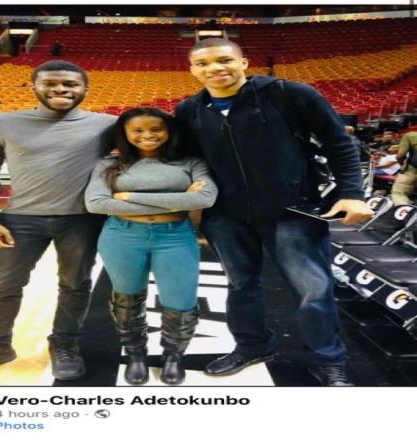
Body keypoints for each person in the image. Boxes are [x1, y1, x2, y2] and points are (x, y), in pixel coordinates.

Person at [175, 38, 373, 386]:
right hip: (226, 215)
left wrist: (352, 194)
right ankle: (252, 347)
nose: (215, 68)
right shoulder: (189, 110)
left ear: (243, 62)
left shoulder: (288, 93)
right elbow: (191, 162)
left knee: (313, 290)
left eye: (224, 60)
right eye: (203, 64)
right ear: (192, 70)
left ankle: (327, 359)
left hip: (294, 210)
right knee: (240, 286)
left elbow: (339, 142)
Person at [0, 60, 116, 383]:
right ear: (34, 87)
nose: (61, 89)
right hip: (19, 219)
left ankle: (64, 345)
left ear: (85, 89)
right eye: (51, 83)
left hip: (83, 220)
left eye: (70, 84)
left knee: (75, 286)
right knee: (1, 287)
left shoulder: (109, 125)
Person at [85, 107, 217, 385]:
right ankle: (135, 354)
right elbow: (96, 203)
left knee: (180, 300)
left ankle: (173, 356)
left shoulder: (191, 162)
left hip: (175, 237)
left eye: (156, 129)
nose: (147, 135)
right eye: (137, 130)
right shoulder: (109, 164)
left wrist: (127, 196)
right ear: (124, 134)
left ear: (169, 131)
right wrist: (178, 199)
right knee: (127, 298)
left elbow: (205, 198)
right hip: (122, 236)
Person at [391, 131, 417, 205]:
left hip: (412, 171)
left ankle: (404, 210)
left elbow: (401, 155)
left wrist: (401, 164)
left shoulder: (410, 135)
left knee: (398, 192)